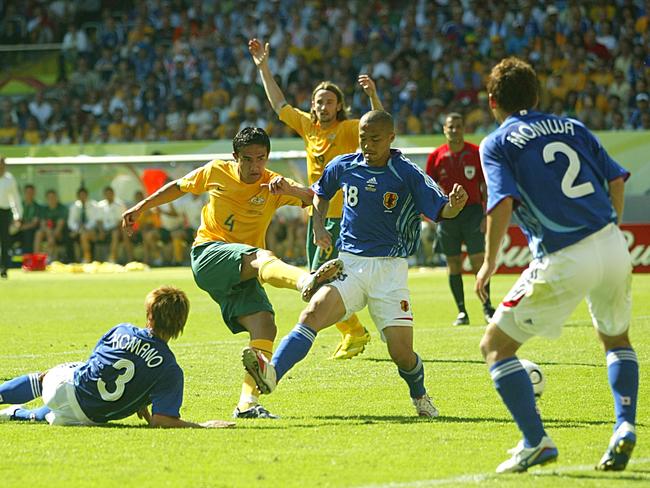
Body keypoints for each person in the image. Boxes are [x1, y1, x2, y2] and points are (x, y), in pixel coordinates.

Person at [242, 111, 468, 417]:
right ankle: (271, 375)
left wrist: (454, 206)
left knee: (401, 354)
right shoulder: (343, 165)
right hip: (350, 266)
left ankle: (420, 396)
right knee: (312, 313)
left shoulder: (406, 172)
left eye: (375, 139)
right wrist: (319, 226)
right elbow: (320, 195)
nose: (368, 144)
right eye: (363, 138)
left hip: (389, 272)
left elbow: (442, 210)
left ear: (391, 138)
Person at [475, 57, 637, 473]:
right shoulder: (573, 127)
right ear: (537, 96)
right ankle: (624, 425)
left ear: (493, 101)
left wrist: (489, 262)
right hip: (613, 245)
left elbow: (502, 202)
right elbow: (616, 179)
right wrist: (611, 227)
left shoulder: (497, 142)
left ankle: (535, 441)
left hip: (565, 254)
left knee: (495, 347)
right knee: (616, 340)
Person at [122, 127, 342, 419]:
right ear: (235, 157)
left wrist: (290, 191)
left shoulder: (272, 183)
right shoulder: (216, 171)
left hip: (245, 269)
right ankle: (305, 280)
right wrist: (141, 207)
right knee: (262, 256)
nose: (255, 166)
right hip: (210, 254)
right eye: (248, 159)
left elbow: (314, 197)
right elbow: (179, 186)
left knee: (265, 326)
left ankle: (247, 404)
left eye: (260, 159)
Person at [249, 37, 382, 360]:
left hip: (345, 215)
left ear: (339, 106)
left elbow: (380, 125)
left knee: (321, 280)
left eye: (329, 102)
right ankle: (354, 329)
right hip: (318, 215)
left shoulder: (350, 129)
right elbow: (279, 105)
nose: (323, 107)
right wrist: (264, 67)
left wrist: (373, 96)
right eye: (318, 102)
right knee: (316, 279)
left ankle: (354, 331)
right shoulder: (309, 127)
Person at [0, 286, 234, 429]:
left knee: (47, 378)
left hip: (64, 390)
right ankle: (19, 415)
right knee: (67, 409)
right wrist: (202, 426)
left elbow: (98, 363)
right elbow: (162, 420)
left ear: (149, 315)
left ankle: (5, 399)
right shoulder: (171, 370)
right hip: (91, 417)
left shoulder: (123, 330)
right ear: (180, 324)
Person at [426, 113, 495, 326]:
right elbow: (428, 186)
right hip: (448, 216)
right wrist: (433, 213)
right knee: (453, 263)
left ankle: (487, 307)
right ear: (444, 130)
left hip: (473, 213)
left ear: (464, 128)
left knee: (477, 262)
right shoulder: (437, 156)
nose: (454, 130)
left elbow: (488, 186)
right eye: (450, 127)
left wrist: (487, 215)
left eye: (458, 126)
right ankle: (462, 312)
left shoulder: (476, 153)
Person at [33, 189, 70, 262]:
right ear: (46, 199)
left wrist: (51, 234)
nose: (51, 199)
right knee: (38, 233)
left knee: (51, 236)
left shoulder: (62, 208)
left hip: (60, 233)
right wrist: (49, 232)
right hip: (47, 232)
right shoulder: (44, 209)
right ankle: (36, 258)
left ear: (57, 198)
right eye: (49, 198)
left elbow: (60, 226)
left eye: (53, 197)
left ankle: (49, 258)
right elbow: (43, 224)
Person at [0, 156, 22, 278]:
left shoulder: (9, 179)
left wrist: (17, 216)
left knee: (5, 241)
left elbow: (15, 199)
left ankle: (4, 268)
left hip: (4, 212)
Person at [67, 187, 100, 262]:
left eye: (84, 195)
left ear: (87, 195)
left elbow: (95, 220)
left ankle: (87, 258)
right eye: (80, 195)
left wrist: (85, 227)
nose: (82, 197)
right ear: (78, 196)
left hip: (91, 230)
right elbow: (71, 222)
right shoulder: (74, 206)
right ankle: (72, 260)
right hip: (78, 230)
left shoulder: (94, 205)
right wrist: (78, 229)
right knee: (69, 236)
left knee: (84, 235)